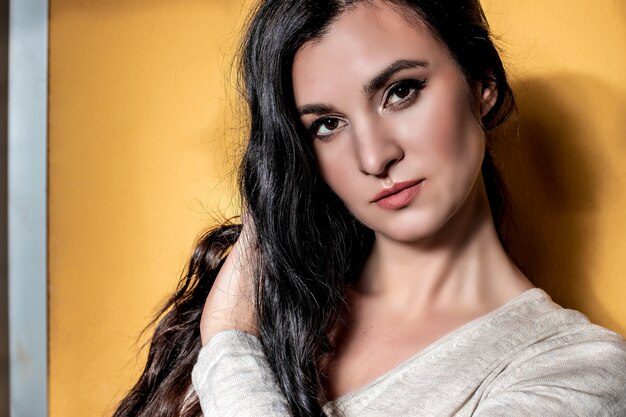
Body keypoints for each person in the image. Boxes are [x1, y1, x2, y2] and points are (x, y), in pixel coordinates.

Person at [113, 0, 626, 416]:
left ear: (482, 84)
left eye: (401, 92)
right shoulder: (274, 307)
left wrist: (228, 345)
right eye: (327, 124)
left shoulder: (577, 370)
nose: (375, 156)